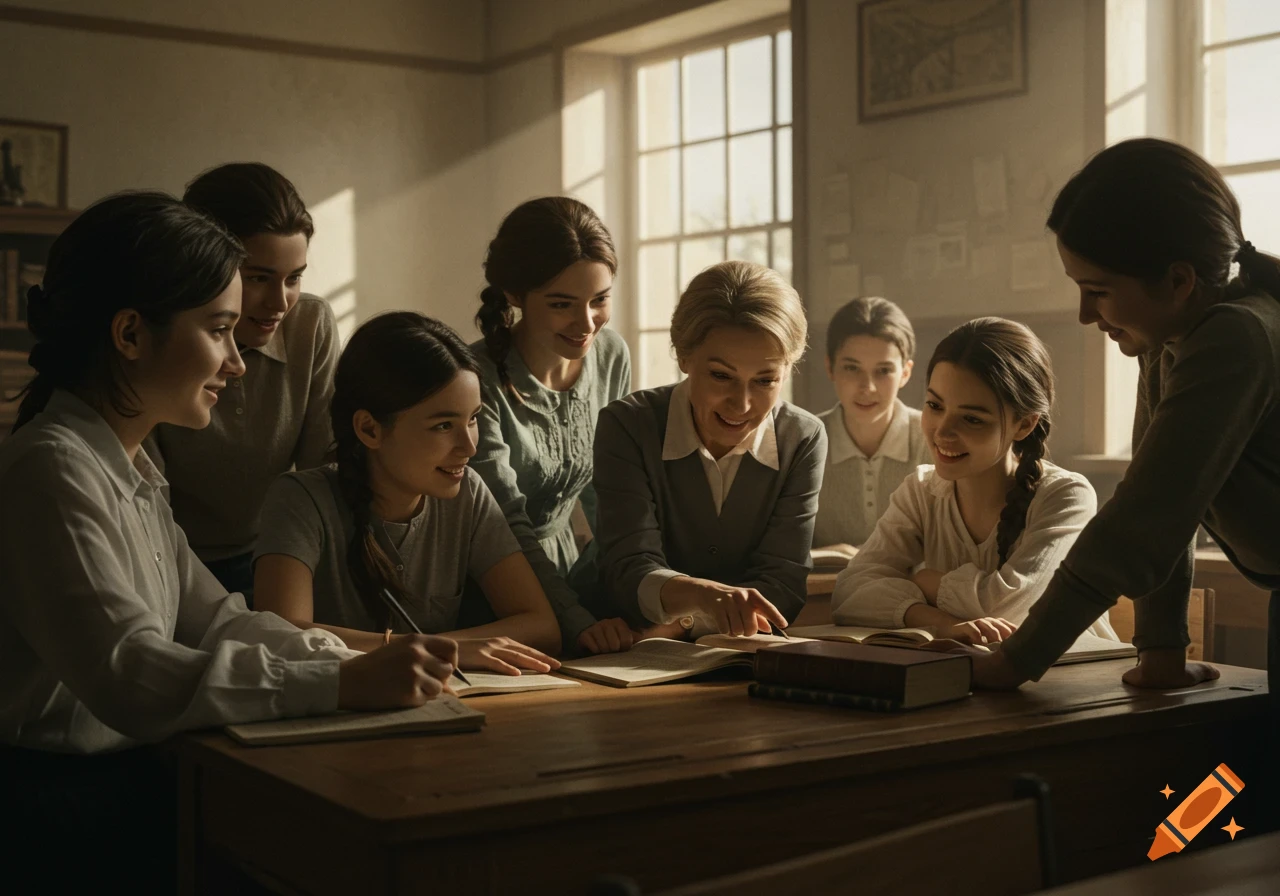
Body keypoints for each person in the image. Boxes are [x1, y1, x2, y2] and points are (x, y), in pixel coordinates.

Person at [0, 193, 455, 890]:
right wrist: (336, 682)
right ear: (129, 334)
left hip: (123, 784)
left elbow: (216, 620)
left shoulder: (129, 468)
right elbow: (128, 669)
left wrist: (347, 659)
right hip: (56, 814)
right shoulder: (51, 469)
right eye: (218, 330)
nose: (238, 363)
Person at [961, 139, 1280, 706]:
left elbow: (1142, 519)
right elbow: (1168, 506)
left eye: (1097, 292)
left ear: (1178, 281)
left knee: (1239, 790)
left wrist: (1018, 658)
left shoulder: (1237, 336)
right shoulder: (1166, 338)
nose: (1085, 315)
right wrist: (1160, 655)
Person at [254, 311, 562, 673]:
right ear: (369, 429)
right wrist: (442, 649)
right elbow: (279, 637)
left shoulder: (469, 494)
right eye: (444, 425)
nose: (469, 447)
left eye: (474, 419)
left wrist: (434, 649)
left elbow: (542, 626)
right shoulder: (300, 499)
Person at [832, 318, 1117, 645]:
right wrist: (940, 622)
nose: (942, 432)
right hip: (973, 675)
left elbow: (1007, 607)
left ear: (1023, 425)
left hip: (1075, 678)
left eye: (971, 419)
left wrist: (927, 581)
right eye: (935, 406)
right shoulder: (922, 491)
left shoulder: (1066, 496)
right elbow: (849, 591)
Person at [588, 260, 826, 636]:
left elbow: (783, 581)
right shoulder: (628, 425)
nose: (742, 404)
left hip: (718, 650)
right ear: (683, 356)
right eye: (721, 376)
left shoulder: (803, 438)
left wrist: (685, 625)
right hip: (627, 651)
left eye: (765, 381)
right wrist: (702, 599)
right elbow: (628, 568)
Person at [145, 162, 338, 603]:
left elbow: (320, 476)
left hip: (274, 554)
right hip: (167, 557)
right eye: (257, 278)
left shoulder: (310, 324)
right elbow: (148, 502)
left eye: (294, 278)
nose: (279, 303)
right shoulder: (165, 338)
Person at [471, 197, 634, 655]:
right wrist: (575, 619)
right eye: (563, 304)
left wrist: (627, 588)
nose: (587, 324)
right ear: (514, 295)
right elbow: (505, 523)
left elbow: (613, 491)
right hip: (496, 588)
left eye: (600, 300)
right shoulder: (474, 377)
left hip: (579, 575)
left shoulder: (611, 355)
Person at [813, 296, 930, 558]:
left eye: (883, 370)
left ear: (905, 373)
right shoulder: (804, 442)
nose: (868, 387)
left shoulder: (935, 439)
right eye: (852, 368)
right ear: (830, 367)